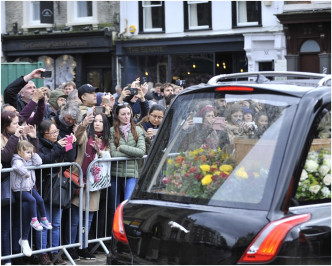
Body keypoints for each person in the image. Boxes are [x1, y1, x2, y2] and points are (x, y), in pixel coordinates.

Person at [66, 112, 111, 260]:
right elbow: (76, 138)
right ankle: (71, 247)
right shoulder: (86, 134)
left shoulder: (106, 141)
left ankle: (83, 247)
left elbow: (108, 159)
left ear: (105, 124)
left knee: (88, 219)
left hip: (94, 184)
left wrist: (100, 151)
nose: (97, 123)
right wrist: (84, 123)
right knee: (74, 219)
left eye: (100, 121)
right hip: (79, 180)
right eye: (95, 121)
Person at [1, 111, 39, 262]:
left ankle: (17, 256)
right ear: (5, 125)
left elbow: (34, 157)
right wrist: (16, 137)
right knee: (5, 226)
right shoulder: (6, 138)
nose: (18, 126)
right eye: (15, 123)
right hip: (6, 187)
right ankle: (6, 259)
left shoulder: (20, 136)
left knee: (20, 222)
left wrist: (34, 138)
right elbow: (5, 157)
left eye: (18, 123)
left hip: (22, 186)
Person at [36, 120, 69, 265]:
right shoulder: (39, 145)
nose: (56, 135)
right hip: (44, 187)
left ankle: (55, 252)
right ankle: (43, 253)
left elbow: (68, 159)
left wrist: (69, 143)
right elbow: (45, 161)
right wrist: (57, 147)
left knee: (56, 223)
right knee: (45, 223)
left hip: (58, 186)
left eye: (57, 132)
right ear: (44, 134)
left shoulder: (58, 144)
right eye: (53, 132)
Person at [11, 141, 53, 250]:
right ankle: (34, 220)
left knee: (40, 200)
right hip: (19, 189)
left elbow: (39, 162)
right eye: (27, 152)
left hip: (29, 187)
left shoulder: (30, 160)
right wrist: (25, 172)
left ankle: (43, 219)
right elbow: (17, 166)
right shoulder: (16, 159)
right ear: (20, 152)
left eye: (31, 152)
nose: (30, 154)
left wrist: (33, 154)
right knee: (32, 200)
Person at [109, 103, 146, 228]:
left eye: (128, 114)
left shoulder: (138, 130)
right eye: (123, 114)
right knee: (114, 207)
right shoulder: (112, 130)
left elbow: (141, 152)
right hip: (115, 173)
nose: (126, 117)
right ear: (117, 116)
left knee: (127, 204)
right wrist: (131, 152)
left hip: (131, 174)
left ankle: (125, 232)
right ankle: (115, 234)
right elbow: (113, 154)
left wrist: (123, 148)